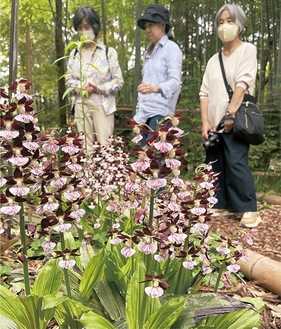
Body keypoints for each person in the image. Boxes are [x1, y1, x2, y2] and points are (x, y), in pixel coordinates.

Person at [199, 4, 262, 228]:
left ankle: (248, 209)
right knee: (215, 163)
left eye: (229, 21)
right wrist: (205, 121)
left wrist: (230, 113)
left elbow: (242, 83)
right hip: (215, 121)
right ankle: (221, 204)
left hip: (235, 118)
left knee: (236, 161)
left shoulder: (247, 50)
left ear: (240, 25)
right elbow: (204, 92)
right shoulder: (213, 60)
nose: (224, 26)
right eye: (220, 22)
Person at [66, 5, 124, 153]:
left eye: (87, 27)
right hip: (80, 105)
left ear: (95, 26)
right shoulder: (74, 54)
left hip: (102, 106)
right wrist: (80, 86)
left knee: (106, 147)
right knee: (85, 149)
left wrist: (98, 87)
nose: (84, 31)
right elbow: (68, 80)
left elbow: (118, 81)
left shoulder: (107, 52)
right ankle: (86, 176)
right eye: (80, 28)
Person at [134, 3, 182, 144]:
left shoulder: (171, 48)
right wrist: (137, 117)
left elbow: (175, 82)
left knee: (157, 160)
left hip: (161, 115)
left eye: (151, 25)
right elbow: (144, 87)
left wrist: (156, 88)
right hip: (143, 115)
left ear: (162, 25)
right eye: (145, 26)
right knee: (144, 161)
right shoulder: (147, 53)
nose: (147, 30)